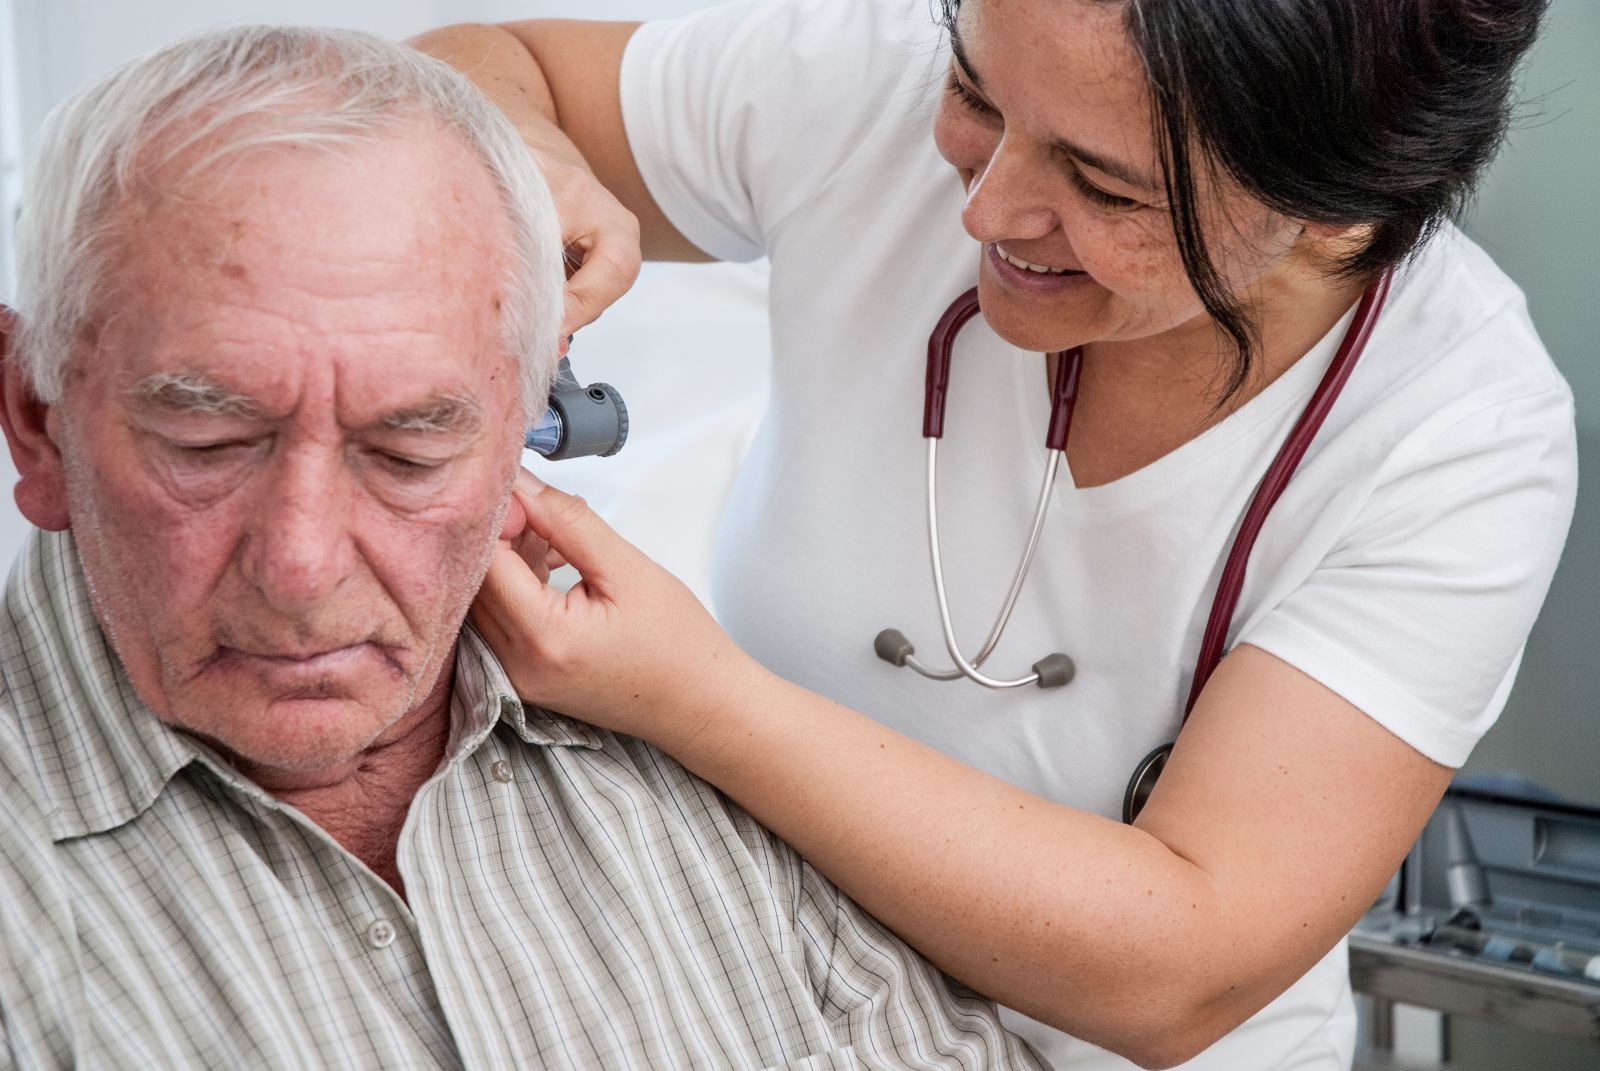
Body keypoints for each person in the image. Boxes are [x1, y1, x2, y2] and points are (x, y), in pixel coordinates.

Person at [414, 0, 1579, 1067]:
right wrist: (535, 173)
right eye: (974, 96)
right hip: (766, 1000)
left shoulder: (1457, 432)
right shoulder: (882, 76)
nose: (982, 208)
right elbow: (482, 74)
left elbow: (1183, 964)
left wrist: (691, 695)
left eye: (1105, 188)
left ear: (1331, 213)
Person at [0, 25, 1048, 1071]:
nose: (304, 566)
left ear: (525, 427)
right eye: (211, 445)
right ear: (36, 419)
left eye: (408, 451)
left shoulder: (700, 766)